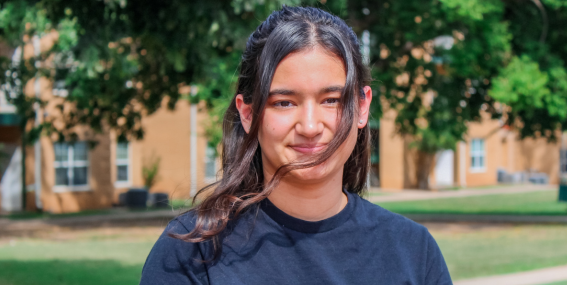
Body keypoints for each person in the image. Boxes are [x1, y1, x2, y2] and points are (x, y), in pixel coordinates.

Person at [140, 6, 452, 285]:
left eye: (331, 100)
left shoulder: (414, 251)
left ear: (362, 107)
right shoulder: (191, 253)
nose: (310, 127)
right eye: (285, 102)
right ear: (248, 114)